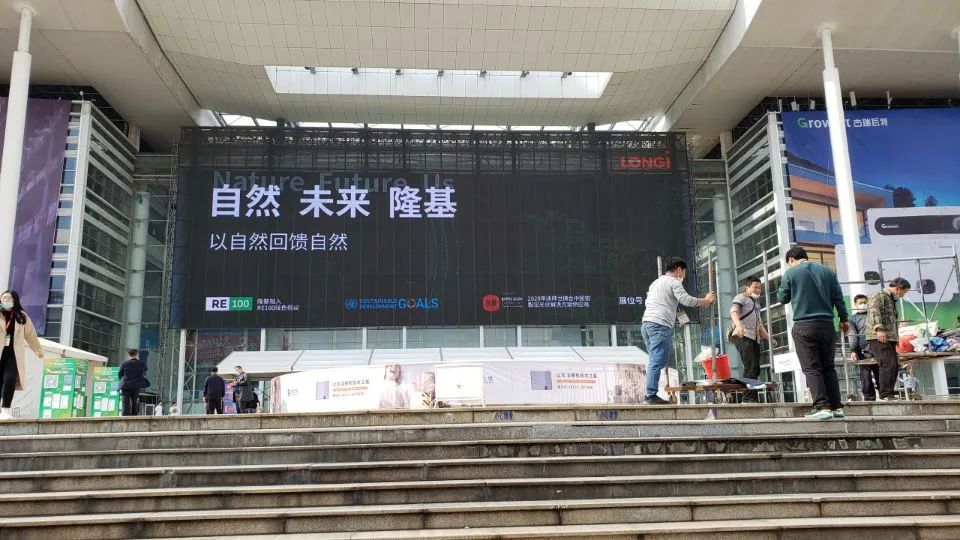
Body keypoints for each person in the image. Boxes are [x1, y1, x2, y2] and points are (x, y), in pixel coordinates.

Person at [777, 246, 849, 420]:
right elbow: (838, 297)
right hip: (827, 325)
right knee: (828, 367)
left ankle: (822, 406)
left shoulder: (791, 273)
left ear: (791, 260)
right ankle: (836, 407)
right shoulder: (828, 272)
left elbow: (782, 298)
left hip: (804, 325)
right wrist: (843, 318)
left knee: (812, 367)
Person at [641, 258, 716, 405]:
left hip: (647, 324)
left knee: (656, 360)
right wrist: (706, 300)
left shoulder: (655, 283)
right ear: (679, 270)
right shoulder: (673, 282)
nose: (684, 276)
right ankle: (650, 395)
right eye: (684, 272)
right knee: (657, 361)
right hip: (659, 325)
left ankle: (650, 394)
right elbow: (686, 300)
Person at [0, 291, 44, 420]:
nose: (5, 300)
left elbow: (31, 335)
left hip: (13, 353)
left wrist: (38, 350)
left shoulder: (21, 316)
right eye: (3, 298)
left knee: (10, 379)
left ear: (15, 300)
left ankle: (5, 410)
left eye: (8, 298)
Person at [730, 276, 773, 403]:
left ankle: (752, 397)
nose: (758, 290)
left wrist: (769, 338)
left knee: (756, 368)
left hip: (754, 338)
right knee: (750, 366)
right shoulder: (740, 297)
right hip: (743, 336)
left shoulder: (757, 304)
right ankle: (747, 398)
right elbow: (734, 312)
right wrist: (739, 326)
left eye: (760, 287)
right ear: (747, 287)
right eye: (755, 287)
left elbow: (759, 325)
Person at [867, 278, 911, 401]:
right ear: (898, 288)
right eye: (904, 291)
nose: (904, 294)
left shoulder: (891, 299)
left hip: (889, 337)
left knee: (894, 364)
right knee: (887, 363)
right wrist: (879, 328)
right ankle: (885, 394)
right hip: (878, 336)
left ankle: (889, 392)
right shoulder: (879, 295)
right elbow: (874, 312)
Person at [846, 294, 877, 400]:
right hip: (862, 350)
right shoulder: (852, 319)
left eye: (865, 302)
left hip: (876, 347)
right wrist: (853, 350)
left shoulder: (874, 315)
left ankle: (884, 394)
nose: (863, 304)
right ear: (855, 304)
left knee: (880, 372)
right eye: (860, 303)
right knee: (865, 375)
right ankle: (869, 398)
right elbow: (852, 335)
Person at [118, 349, 148, 416]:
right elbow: (145, 369)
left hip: (126, 385)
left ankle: (125, 415)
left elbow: (120, 373)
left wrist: (122, 380)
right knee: (134, 401)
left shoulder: (124, 363)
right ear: (137, 354)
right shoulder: (142, 363)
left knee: (125, 401)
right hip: (136, 385)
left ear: (129, 355)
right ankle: (134, 415)